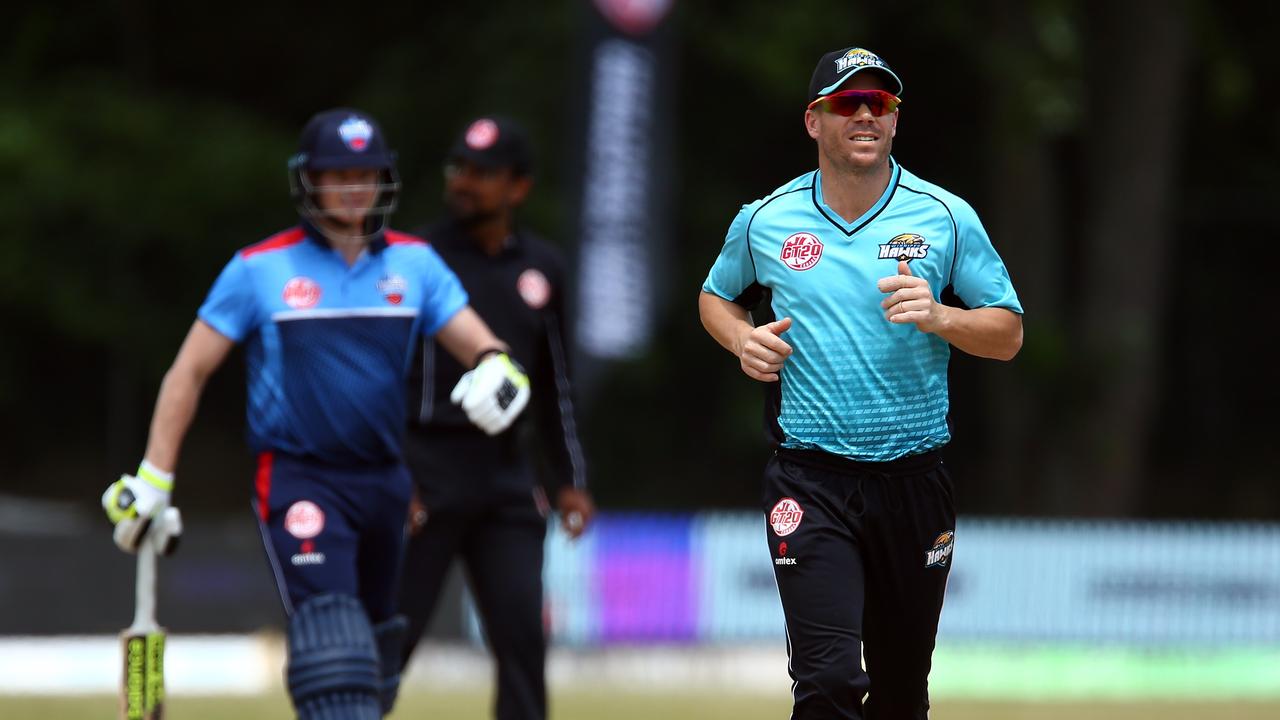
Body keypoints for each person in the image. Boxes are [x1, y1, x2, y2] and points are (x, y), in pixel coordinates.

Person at [100, 107, 533, 720]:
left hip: (386, 481)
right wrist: (155, 478)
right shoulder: (258, 269)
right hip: (300, 477)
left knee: (376, 661)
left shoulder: (414, 265)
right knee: (335, 649)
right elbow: (187, 372)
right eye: (339, 175)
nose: (355, 188)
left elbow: (484, 346)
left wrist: (500, 371)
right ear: (310, 181)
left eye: (368, 174)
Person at [698, 47, 1023, 719]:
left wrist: (941, 316)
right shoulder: (766, 220)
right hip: (810, 481)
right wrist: (741, 340)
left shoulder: (946, 216)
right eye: (849, 103)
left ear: (896, 121)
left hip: (915, 483)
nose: (867, 114)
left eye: (882, 103)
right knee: (831, 681)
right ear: (814, 121)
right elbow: (716, 296)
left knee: (901, 693)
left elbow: (1009, 333)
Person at [396, 115, 593, 720]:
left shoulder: (541, 268)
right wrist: (393, 473)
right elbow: (385, 377)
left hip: (508, 476)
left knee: (522, 645)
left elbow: (555, 382)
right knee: (391, 637)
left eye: (483, 173)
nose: (465, 183)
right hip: (427, 472)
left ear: (518, 187)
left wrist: (570, 479)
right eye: (459, 169)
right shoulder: (416, 258)